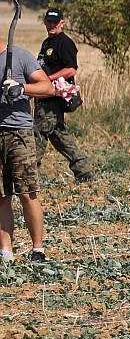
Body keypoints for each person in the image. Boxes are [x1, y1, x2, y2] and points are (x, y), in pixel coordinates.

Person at [0, 34, 59, 262]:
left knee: (27, 192)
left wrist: (22, 89)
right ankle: (6, 251)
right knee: (2, 196)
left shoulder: (20, 56)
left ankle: (38, 249)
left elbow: (48, 88)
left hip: (19, 132)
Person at [34, 8, 95, 184]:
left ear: (62, 23)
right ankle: (83, 171)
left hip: (54, 97)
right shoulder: (47, 43)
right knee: (59, 135)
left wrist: (46, 80)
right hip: (45, 96)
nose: (52, 25)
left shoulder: (64, 42)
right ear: (45, 22)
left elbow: (71, 69)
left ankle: (27, 174)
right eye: (49, 21)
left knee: (37, 134)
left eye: (55, 22)